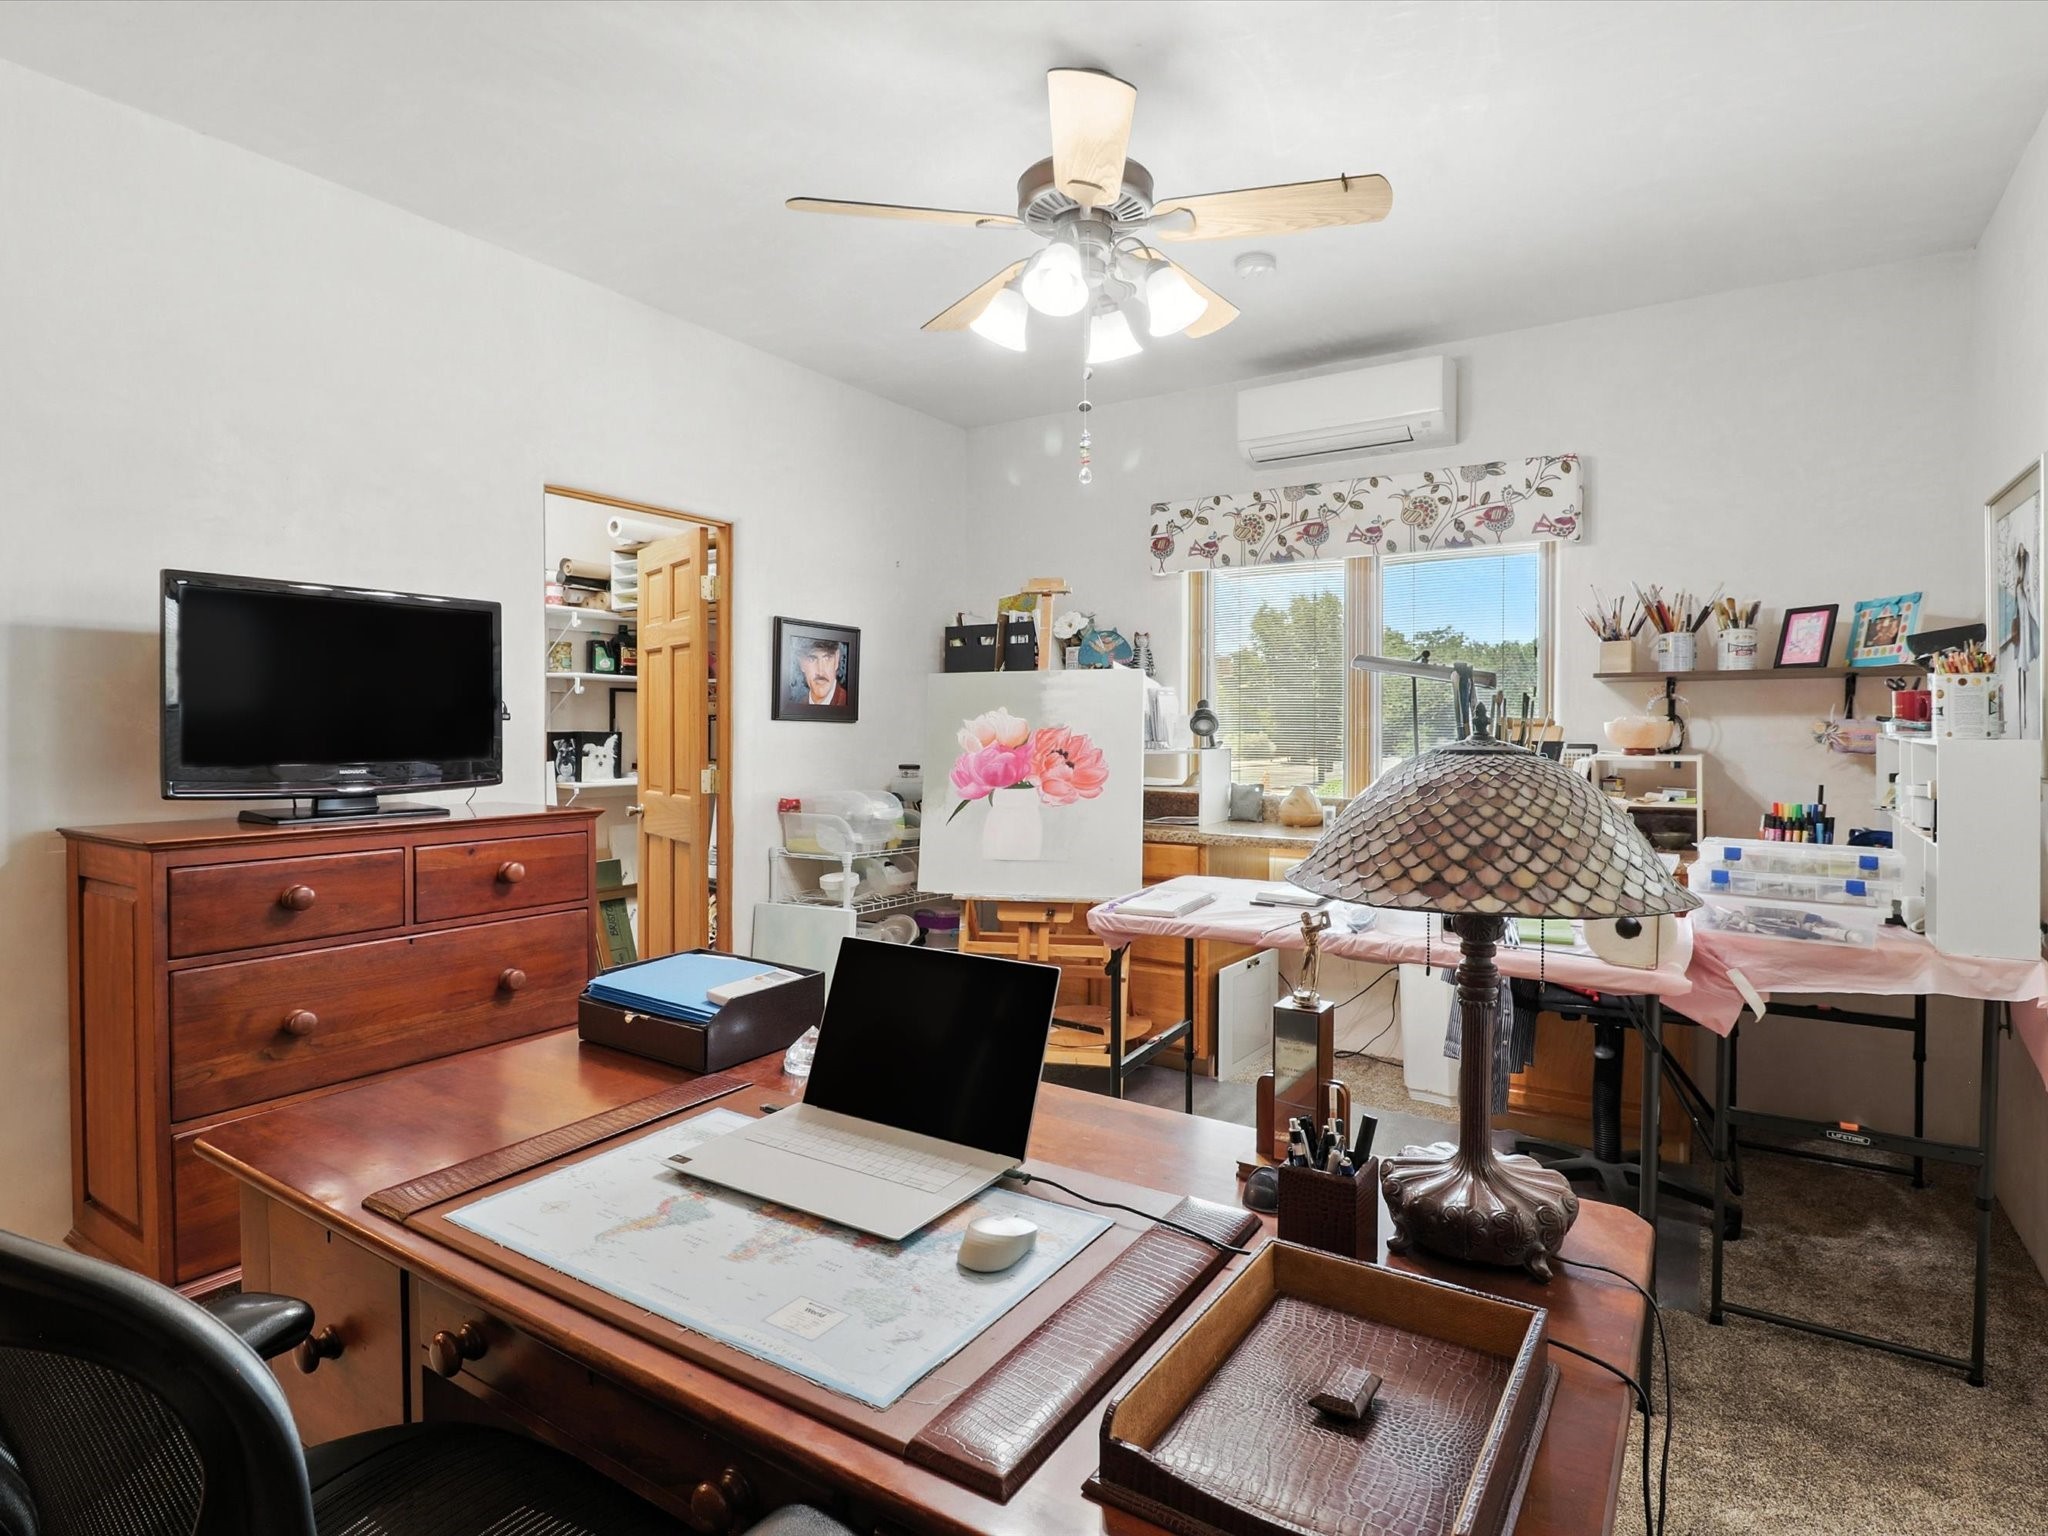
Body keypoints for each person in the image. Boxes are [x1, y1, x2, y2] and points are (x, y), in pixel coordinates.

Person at [793, 636, 846, 708]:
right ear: (802, 663)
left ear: (836, 659)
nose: (820, 672)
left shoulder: (847, 701)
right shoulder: (797, 707)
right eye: (812, 659)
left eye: (827, 658)